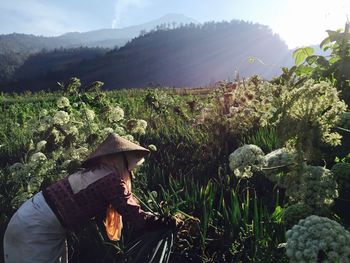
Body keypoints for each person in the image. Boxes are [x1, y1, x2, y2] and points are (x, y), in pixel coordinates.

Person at [3, 133, 176, 263]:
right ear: (121, 160)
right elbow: (134, 215)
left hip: (30, 217)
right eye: (130, 166)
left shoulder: (95, 173)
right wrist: (162, 221)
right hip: (37, 228)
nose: (130, 172)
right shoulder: (111, 180)